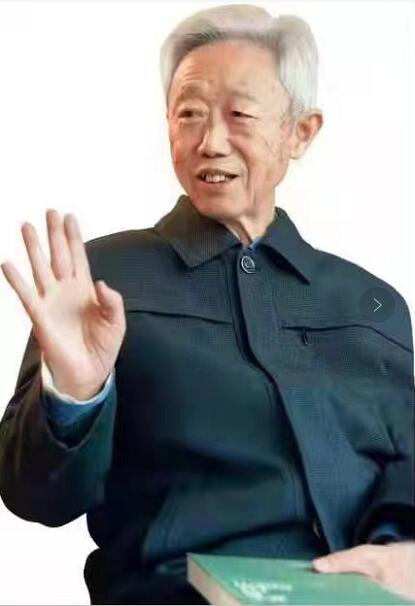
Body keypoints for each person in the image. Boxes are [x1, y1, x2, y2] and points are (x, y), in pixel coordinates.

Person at [0, 4, 414, 605]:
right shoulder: (98, 282)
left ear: (300, 132)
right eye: (189, 113)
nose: (210, 141)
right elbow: (35, 496)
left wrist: (401, 552)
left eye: (239, 115)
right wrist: (74, 395)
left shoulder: (370, 304)